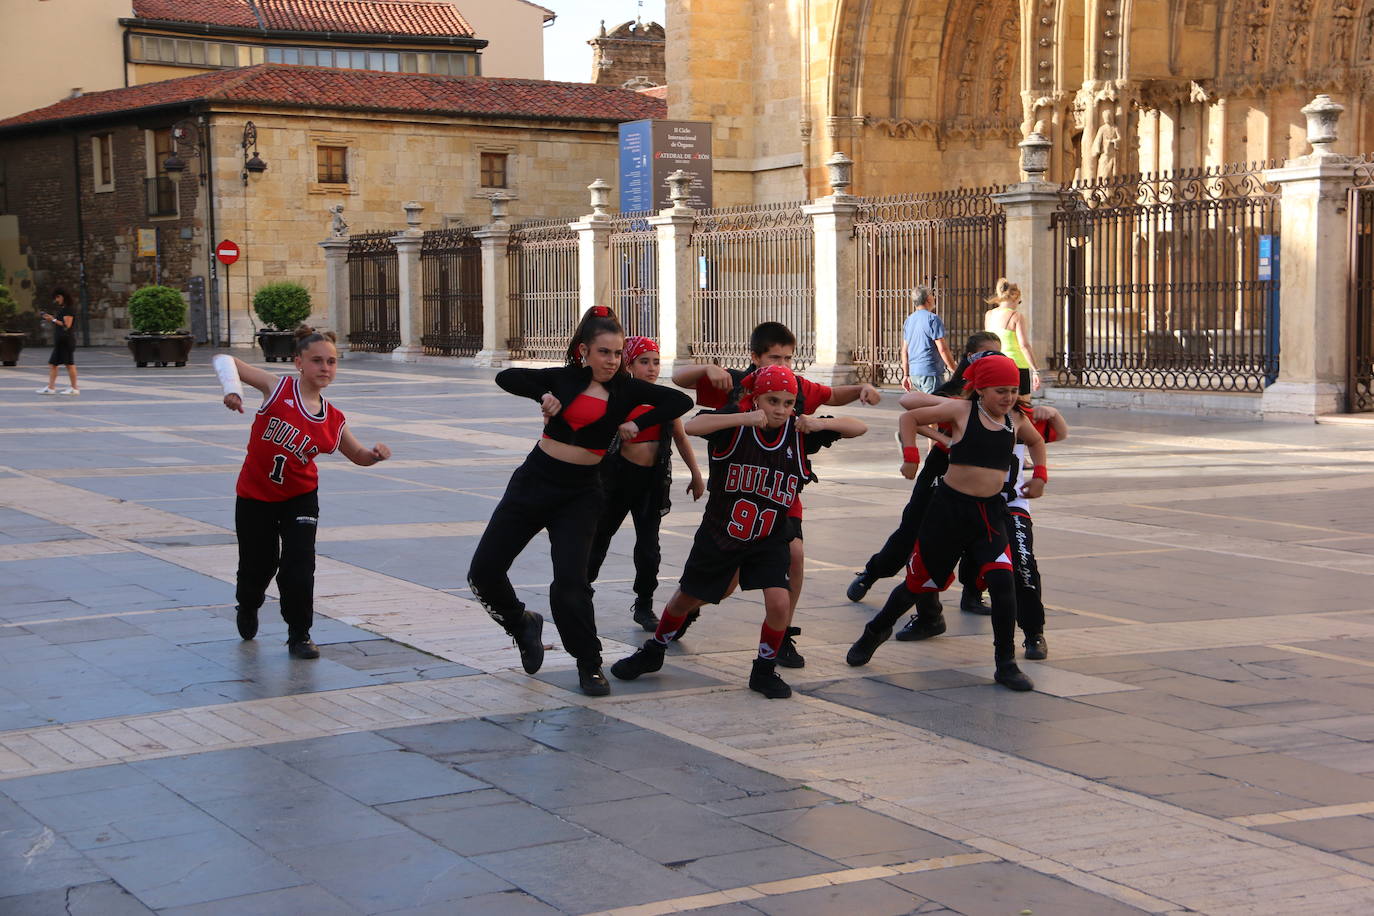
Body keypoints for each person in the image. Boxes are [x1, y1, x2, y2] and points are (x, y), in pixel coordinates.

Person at [468, 307, 692, 696]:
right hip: (535, 481)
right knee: (483, 572)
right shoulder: (563, 377)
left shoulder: (626, 388)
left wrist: (636, 422)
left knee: (571, 583)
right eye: (604, 352)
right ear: (584, 351)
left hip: (582, 492)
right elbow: (507, 376)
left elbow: (678, 402)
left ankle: (589, 662)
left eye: (618, 353)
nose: (612, 360)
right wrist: (545, 394)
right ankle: (521, 622)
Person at [611, 366, 866, 698]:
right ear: (755, 397)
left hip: (770, 534)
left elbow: (858, 426)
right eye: (772, 400)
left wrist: (821, 423)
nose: (780, 409)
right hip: (722, 532)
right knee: (685, 599)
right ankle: (654, 649)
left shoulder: (800, 432)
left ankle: (763, 670)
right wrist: (743, 418)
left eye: (788, 403)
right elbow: (693, 425)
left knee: (778, 602)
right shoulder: (736, 422)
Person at [671, 321, 881, 662]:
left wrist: (859, 389)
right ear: (754, 356)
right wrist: (708, 368)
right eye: (773, 357)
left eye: (787, 358)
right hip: (736, 498)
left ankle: (781, 635)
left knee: (794, 557)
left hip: (778, 495)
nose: (781, 366)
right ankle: (686, 607)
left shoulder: (793, 386)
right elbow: (681, 382)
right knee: (724, 585)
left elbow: (830, 396)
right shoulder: (734, 383)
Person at [846, 352, 1047, 691]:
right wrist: (911, 456)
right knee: (919, 585)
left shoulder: (1015, 419)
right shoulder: (960, 410)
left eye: (1013, 390)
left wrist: (1040, 475)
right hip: (949, 513)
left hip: (989, 515)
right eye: (1000, 390)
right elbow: (908, 419)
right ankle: (875, 631)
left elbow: (1038, 441)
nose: (1008, 397)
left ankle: (1006, 662)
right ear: (980, 389)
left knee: (1002, 583)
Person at [212, 326, 391, 659]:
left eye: (332, 362)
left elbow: (358, 455)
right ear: (298, 363)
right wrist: (233, 390)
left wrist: (375, 455)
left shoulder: (333, 418)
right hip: (255, 495)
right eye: (317, 360)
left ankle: (299, 635)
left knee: (299, 566)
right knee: (259, 564)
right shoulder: (277, 388)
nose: (325, 367)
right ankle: (248, 605)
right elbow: (225, 359)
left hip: (300, 497)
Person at [846, 331, 1002, 615]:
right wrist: (946, 442)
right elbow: (911, 413)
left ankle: (973, 594)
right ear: (970, 359)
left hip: (976, 480)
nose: (993, 360)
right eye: (986, 355)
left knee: (980, 536)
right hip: (941, 473)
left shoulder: (997, 397)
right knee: (912, 533)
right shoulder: (953, 395)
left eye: (998, 355)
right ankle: (871, 574)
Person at [586, 335, 705, 632]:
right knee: (599, 538)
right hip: (617, 482)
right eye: (644, 362)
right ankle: (580, 590)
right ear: (629, 364)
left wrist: (696, 473)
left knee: (649, 548)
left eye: (655, 362)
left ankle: (644, 603)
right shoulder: (621, 396)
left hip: (651, 484)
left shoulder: (665, 399)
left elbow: (680, 437)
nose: (651, 368)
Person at [984, 279, 1041, 394]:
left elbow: (986, 342)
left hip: (996, 364)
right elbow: (1024, 345)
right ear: (1015, 297)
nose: (1018, 304)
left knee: (1001, 403)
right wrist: (1035, 370)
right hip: (1017, 365)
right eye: (1019, 301)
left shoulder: (989, 315)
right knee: (1022, 405)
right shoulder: (1016, 316)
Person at [901, 285, 957, 393]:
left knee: (926, 406)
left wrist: (906, 375)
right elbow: (942, 349)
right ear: (928, 299)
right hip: (931, 372)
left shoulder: (909, 320)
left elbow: (904, 351)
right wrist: (954, 368)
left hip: (915, 374)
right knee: (935, 407)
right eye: (932, 295)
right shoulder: (933, 319)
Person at [37, 289, 79, 396]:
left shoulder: (68, 310)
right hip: (61, 341)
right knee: (53, 364)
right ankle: (51, 387)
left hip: (66, 340)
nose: (56, 300)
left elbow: (67, 325)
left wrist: (53, 320)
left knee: (69, 364)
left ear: (62, 297)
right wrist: (52, 319)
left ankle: (74, 388)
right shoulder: (64, 309)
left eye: (57, 297)